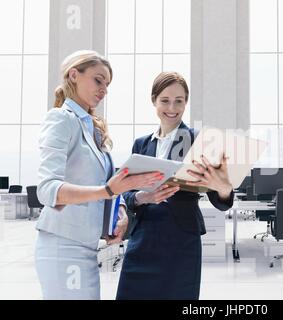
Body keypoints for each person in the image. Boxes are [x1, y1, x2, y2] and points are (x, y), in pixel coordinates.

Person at [35, 50, 163, 300]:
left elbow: (104, 185)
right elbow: (47, 189)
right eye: (98, 80)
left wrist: (121, 211)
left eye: (107, 84)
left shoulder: (91, 127)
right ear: (74, 75)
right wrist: (107, 191)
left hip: (87, 245)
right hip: (63, 244)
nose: (104, 89)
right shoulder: (61, 119)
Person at [116, 72, 234, 300]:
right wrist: (143, 197)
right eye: (165, 100)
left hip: (181, 238)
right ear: (154, 101)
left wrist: (223, 187)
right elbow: (127, 193)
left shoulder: (199, 141)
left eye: (179, 101)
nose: (172, 107)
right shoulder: (141, 144)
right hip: (143, 236)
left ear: (186, 102)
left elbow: (221, 201)